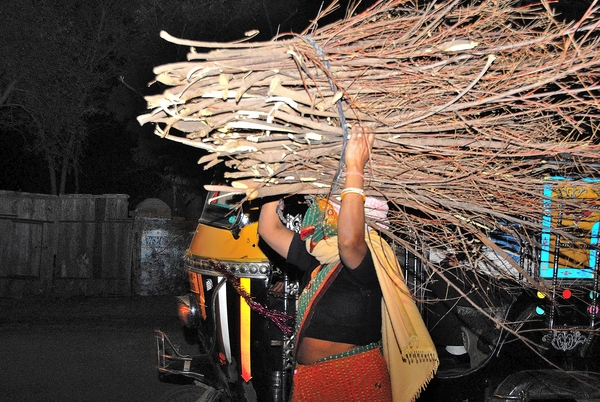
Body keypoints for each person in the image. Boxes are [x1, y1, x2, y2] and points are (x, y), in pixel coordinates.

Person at [259, 126, 438, 402]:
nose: (317, 215)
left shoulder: (369, 262)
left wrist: (355, 168)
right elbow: (269, 230)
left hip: (354, 382)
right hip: (311, 382)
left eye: (327, 210)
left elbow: (349, 242)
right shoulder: (317, 258)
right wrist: (276, 180)